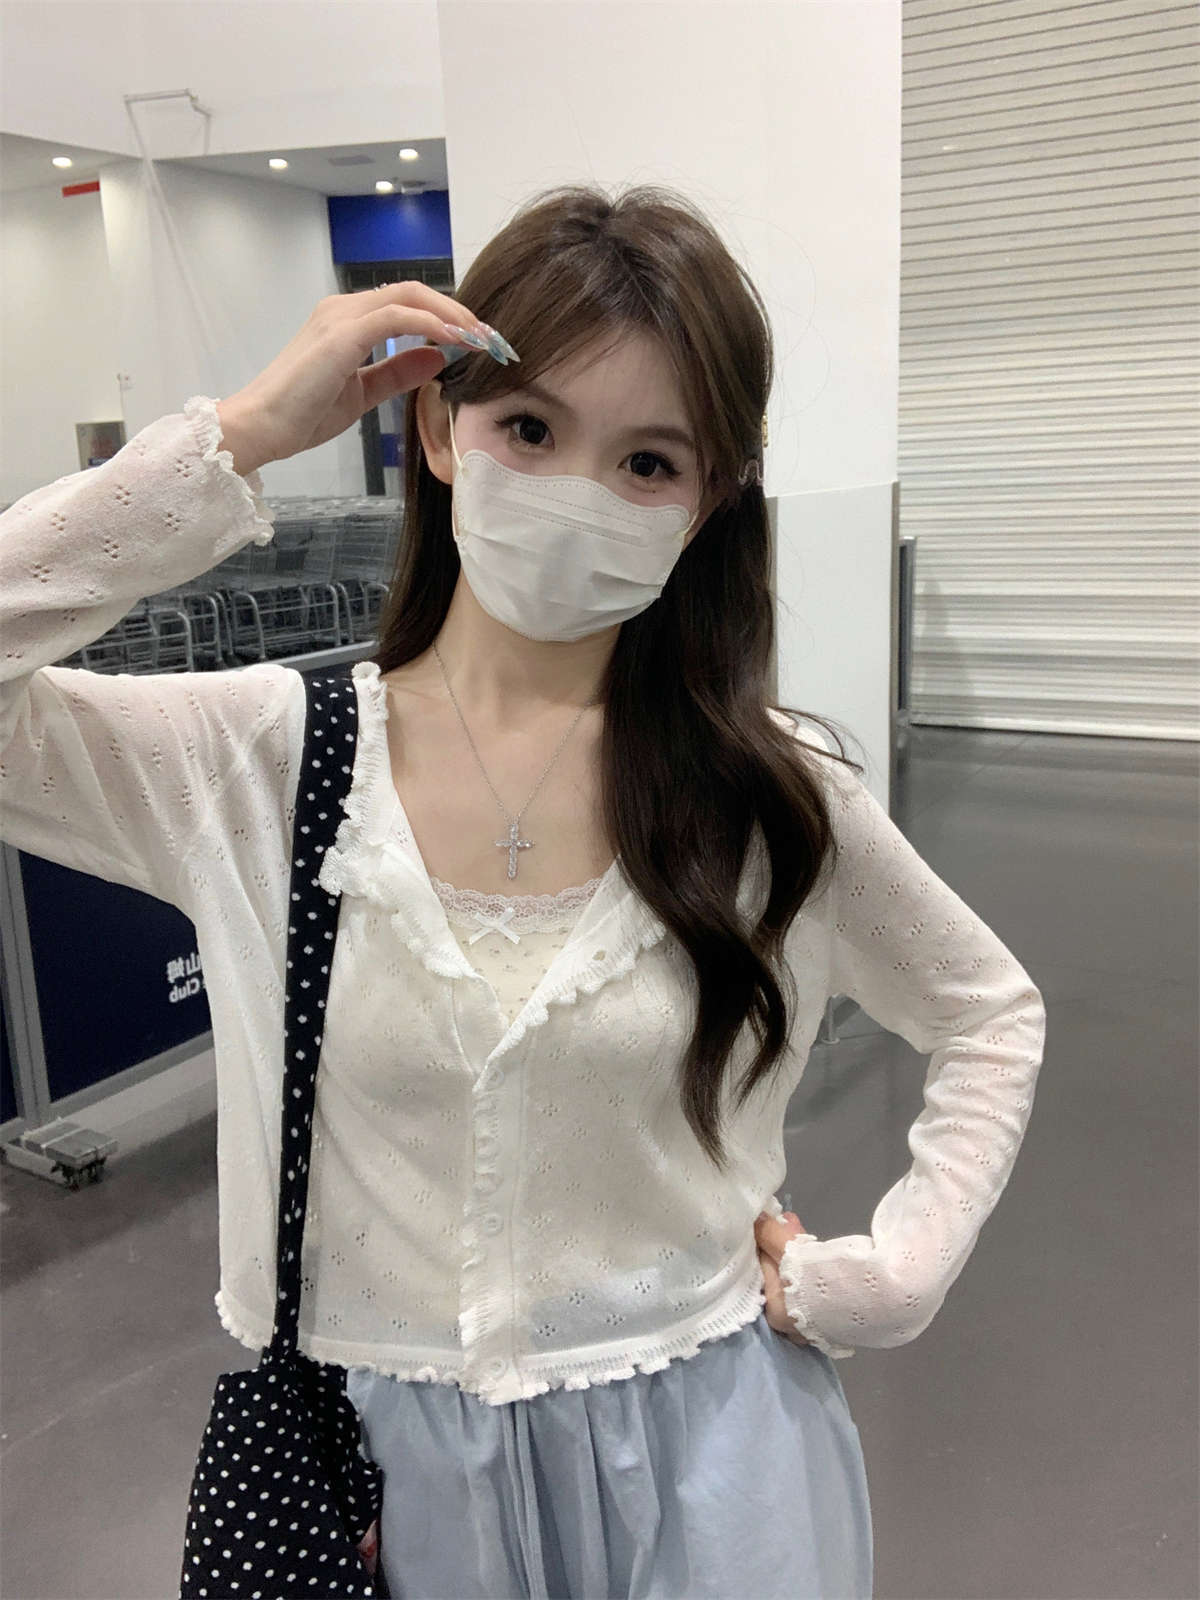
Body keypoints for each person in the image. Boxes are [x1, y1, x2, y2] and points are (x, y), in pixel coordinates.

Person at [0, 183, 1045, 1599]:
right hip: (381, 1492)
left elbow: (989, 1012)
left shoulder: (767, 797)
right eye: (531, 430)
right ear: (440, 431)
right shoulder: (256, 764)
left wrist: (898, 1271)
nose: (575, 495)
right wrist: (235, 440)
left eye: (649, 462)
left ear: (712, 500)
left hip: (715, 1475)